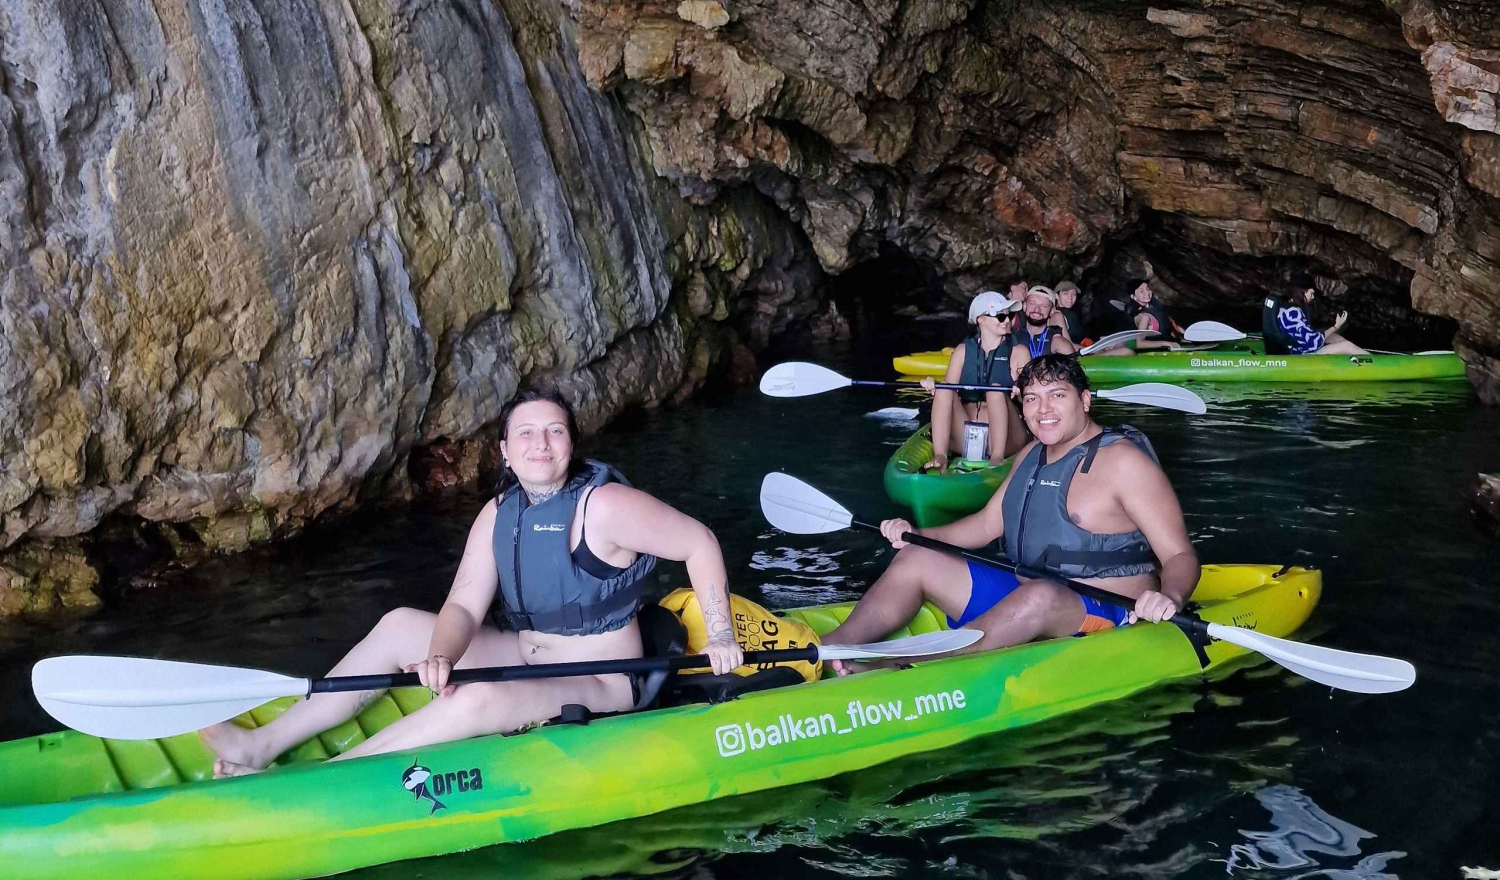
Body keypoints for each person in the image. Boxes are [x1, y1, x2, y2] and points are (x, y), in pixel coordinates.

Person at [200, 389, 744, 776]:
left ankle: (322, 779)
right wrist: (441, 655)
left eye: (554, 431)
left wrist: (721, 634)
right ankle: (261, 745)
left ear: (570, 444)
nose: (540, 443)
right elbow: (462, 604)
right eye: (526, 433)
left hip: (601, 681)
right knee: (399, 626)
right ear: (504, 450)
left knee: (479, 696)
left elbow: (698, 542)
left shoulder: (606, 506)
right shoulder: (499, 514)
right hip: (527, 655)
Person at [821, 354, 1200, 671]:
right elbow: (986, 524)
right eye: (1032, 399)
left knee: (1040, 596)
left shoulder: (1124, 463)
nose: (1043, 410)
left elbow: (1179, 555)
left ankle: (903, 667)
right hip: (1025, 596)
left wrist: (1169, 597)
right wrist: (917, 536)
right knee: (918, 557)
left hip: (1106, 613)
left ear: (1084, 400)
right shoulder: (1031, 455)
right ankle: (829, 650)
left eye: (1057, 395)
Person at [920, 291, 1029, 472]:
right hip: (965, 435)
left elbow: (1031, 399)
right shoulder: (962, 351)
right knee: (945, 387)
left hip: (1008, 439)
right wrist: (935, 386)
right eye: (1000, 316)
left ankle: (996, 459)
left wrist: (1022, 391)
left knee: (995, 390)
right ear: (981, 320)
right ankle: (940, 455)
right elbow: (945, 397)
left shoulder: (1019, 352)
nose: (1007, 321)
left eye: (1009, 316)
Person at [1263, 274, 1368, 355]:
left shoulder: (1288, 307)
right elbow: (1311, 344)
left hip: (1299, 345)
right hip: (1300, 352)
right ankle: (1375, 364)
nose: (1313, 297)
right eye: (1311, 293)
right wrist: (1336, 326)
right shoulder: (1293, 313)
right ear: (1303, 292)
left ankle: (1357, 357)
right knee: (1347, 346)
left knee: (1335, 337)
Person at [1010, 287, 1076, 370]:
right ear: (1024, 306)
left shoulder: (1058, 341)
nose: (1037, 310)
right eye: (1032, 304)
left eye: (1044, 306)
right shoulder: (1013, 337)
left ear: (1052, 311)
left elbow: (1072, 374)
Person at [1121, 279, 1180, 351]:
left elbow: (1169, 328)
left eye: (1147, 289)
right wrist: (1164, 343)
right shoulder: (1144, 317)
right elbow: (1139, 344)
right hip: (1148, 351)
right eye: (1141, 291)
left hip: (1169, 344)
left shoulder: (1157, 310)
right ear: (1134, 297)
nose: (1147, 293)